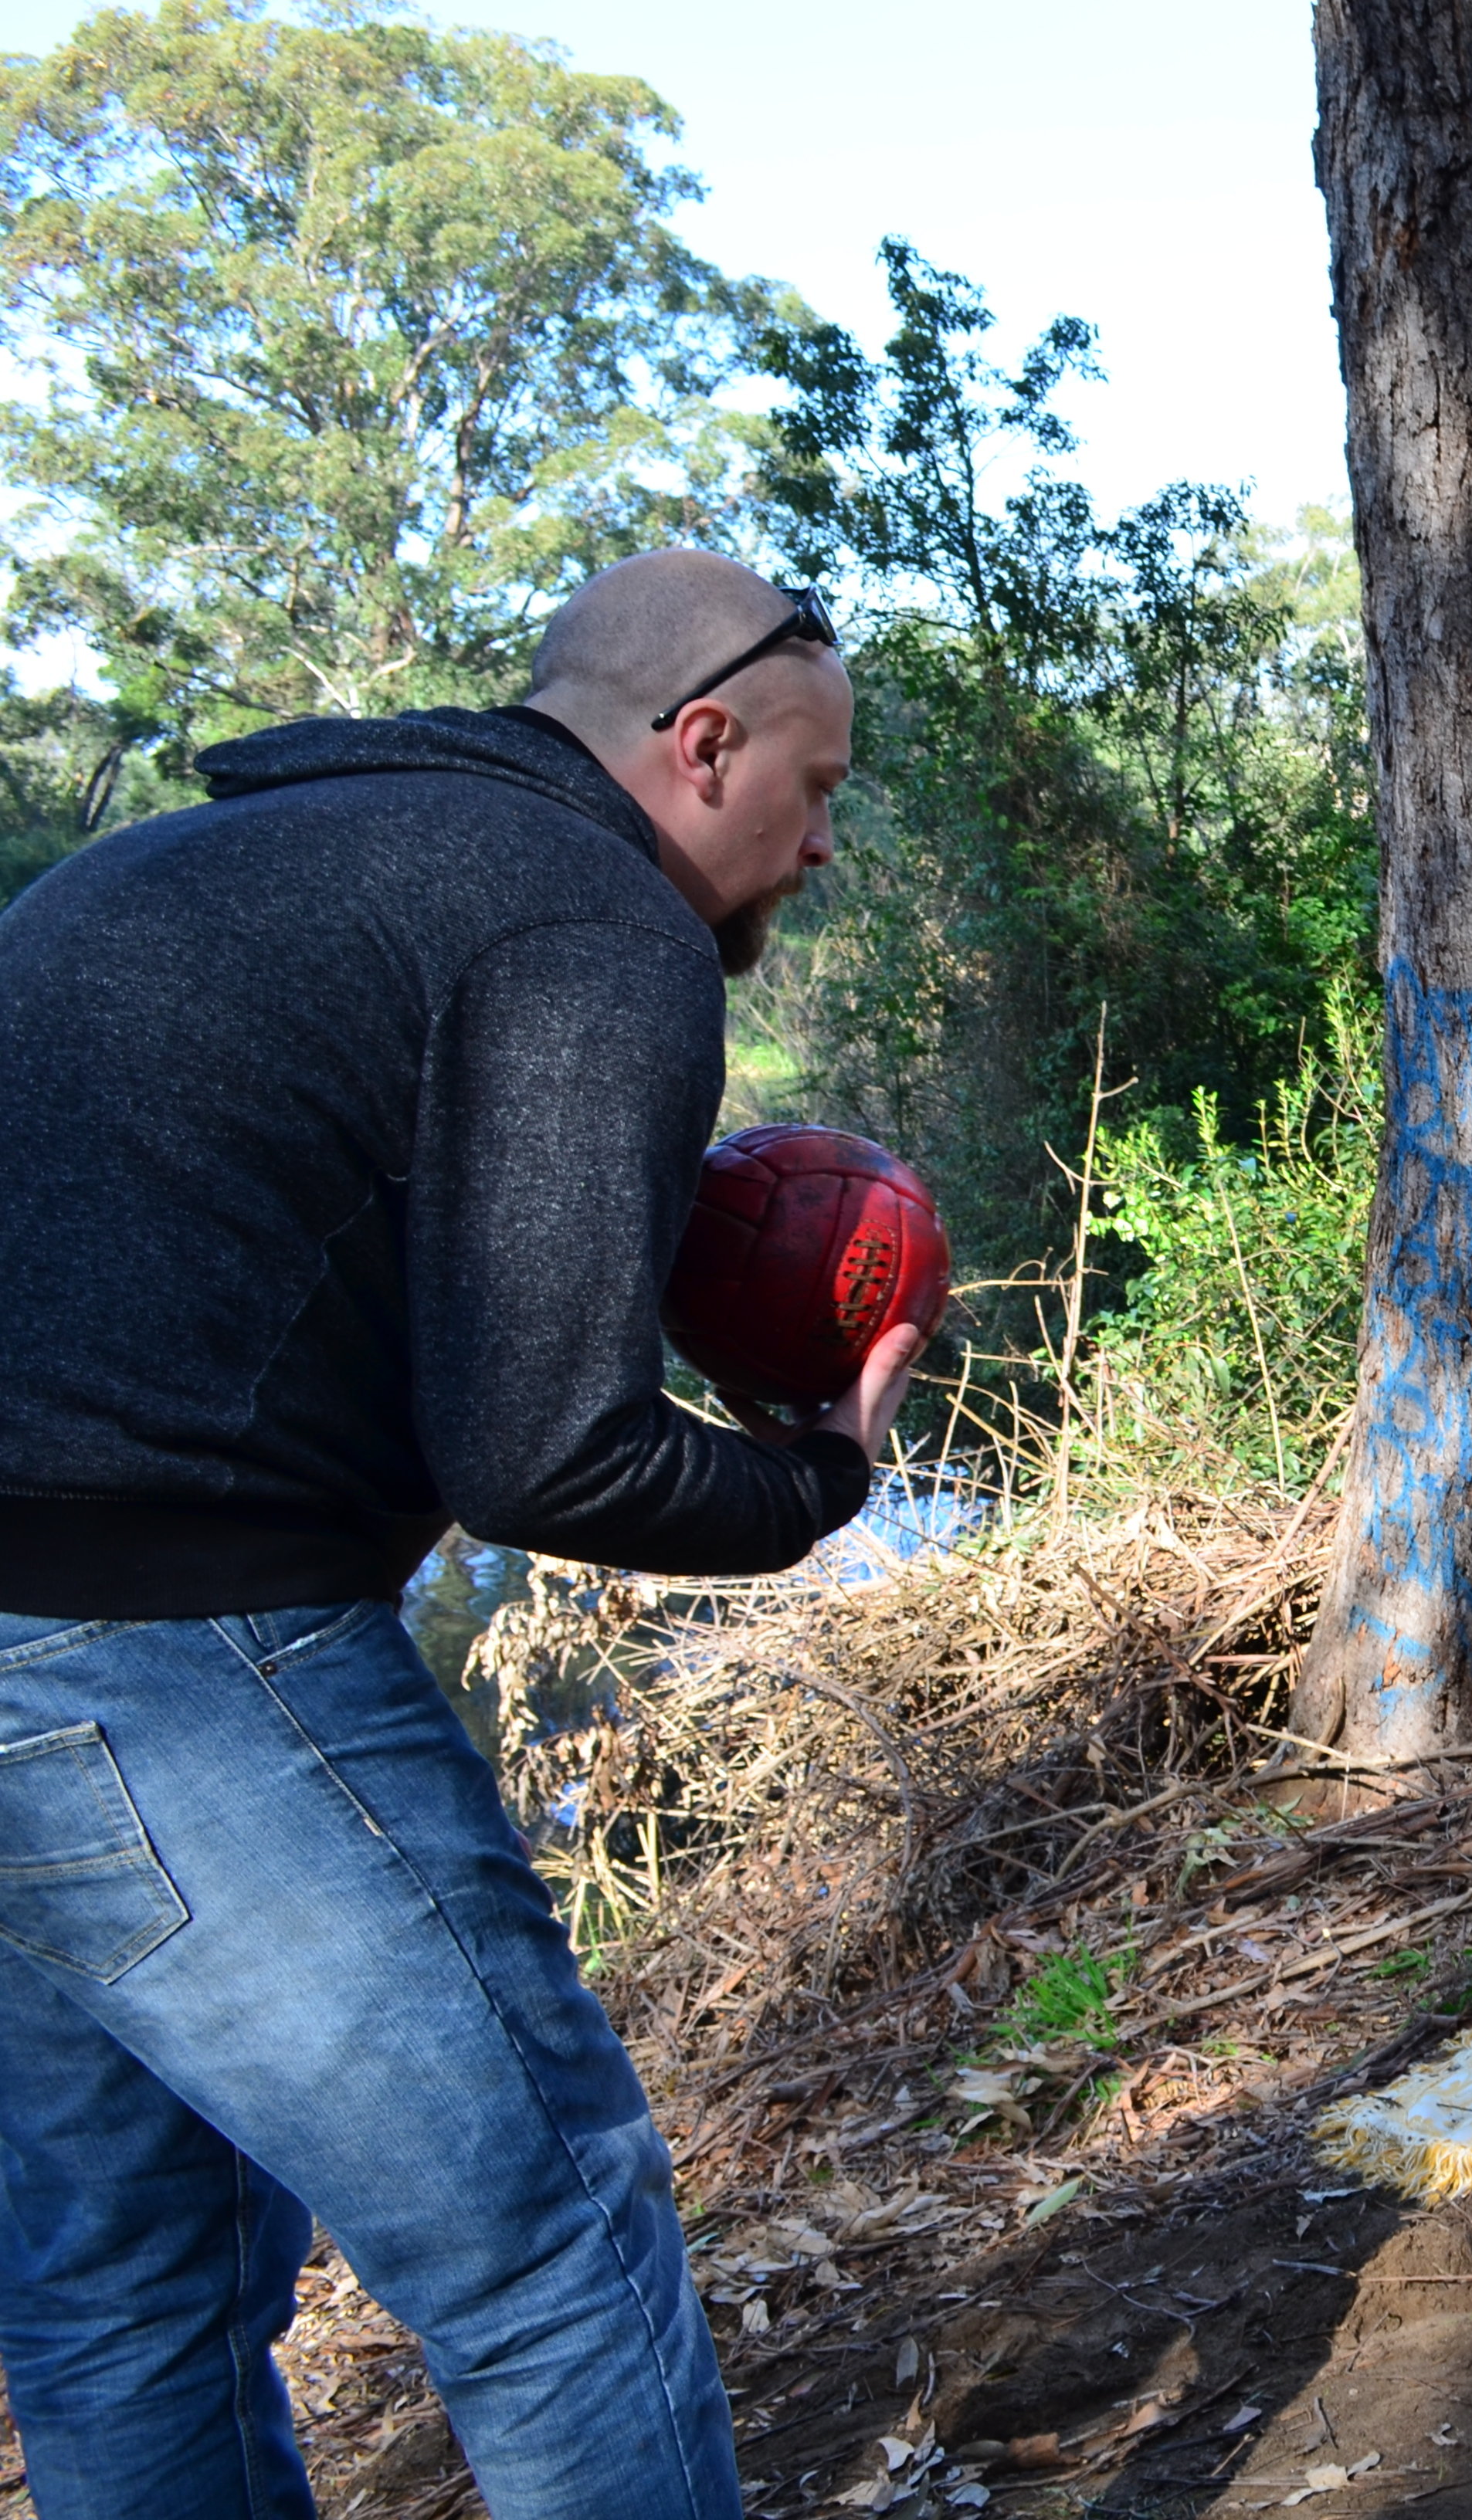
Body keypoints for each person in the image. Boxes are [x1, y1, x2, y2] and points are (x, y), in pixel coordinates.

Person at [0, 550, 923, 2520]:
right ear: (702, 746)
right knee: (550, 2248)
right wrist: (823, 1471)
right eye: (816, 790)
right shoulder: (590, 920)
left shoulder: (210, 863)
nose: (821, 844)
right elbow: (549, 1463)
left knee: (124, 2294)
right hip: (161, 1660)